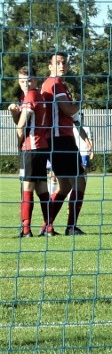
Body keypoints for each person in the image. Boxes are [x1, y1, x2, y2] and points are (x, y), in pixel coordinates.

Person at [41, 52, 89, 236]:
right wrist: (81, 102)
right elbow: (68, 110)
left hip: (57, 139)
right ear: (49, 66)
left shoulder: (56, 84)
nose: (62, 66)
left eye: (64, 63)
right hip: (60, 139)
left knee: (64, 185)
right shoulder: (55, 84)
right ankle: (70, 227)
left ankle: (47, 226)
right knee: (79, 181)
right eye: (57, 63)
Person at [8, 66, 51, 237]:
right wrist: (14, 113)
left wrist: (19, 143)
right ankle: (48, 226)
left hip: (31, 146)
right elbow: (21, 120)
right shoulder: (37, 96)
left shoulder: (31, 95)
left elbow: (21, 126)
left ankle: (26, 230)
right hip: (41, 146)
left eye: (28, 80)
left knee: (27, 186)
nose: (25, 84)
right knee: (41, 187)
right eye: (22, 81)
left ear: (35, 80)